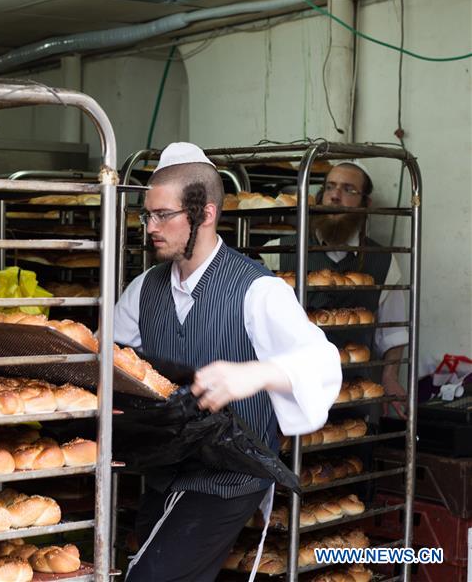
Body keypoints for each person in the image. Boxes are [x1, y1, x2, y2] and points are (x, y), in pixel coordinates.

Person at [114, 142, 341, 582]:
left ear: (206, 213)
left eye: (164, 215)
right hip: (165, 470)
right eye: (147, 215)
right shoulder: (144, 289)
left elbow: (323, 361)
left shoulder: (258, 290)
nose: (150, 228)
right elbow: (115, 358)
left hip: (231, 474)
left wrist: (254, 373)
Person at [261, 161, 409, 417]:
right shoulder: (278, 252)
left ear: (365, 204)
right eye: (330, 187)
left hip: (355, 397)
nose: (335, 196)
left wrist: (390, 376)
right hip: (290, 395)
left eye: (348, 189)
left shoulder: (383, 261)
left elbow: (393, 331)